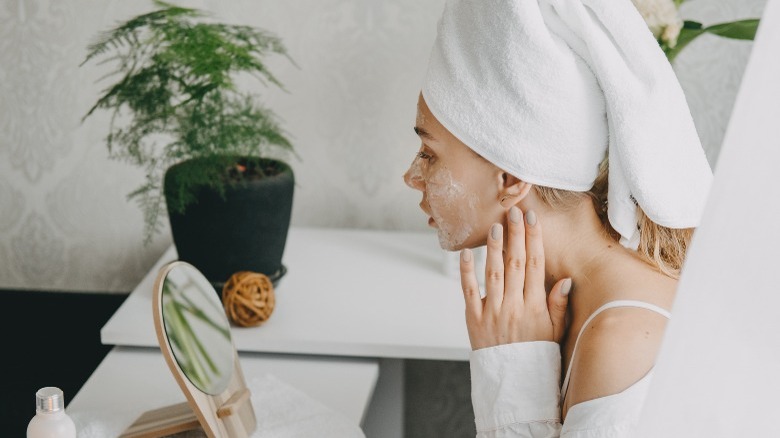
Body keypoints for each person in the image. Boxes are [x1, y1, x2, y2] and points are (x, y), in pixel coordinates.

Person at [403, 0, 713, 436]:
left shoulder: (622, 342)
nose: (411, 176)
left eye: (428, 154)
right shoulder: (554, 303)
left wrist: (513, 378)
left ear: (510, 176)